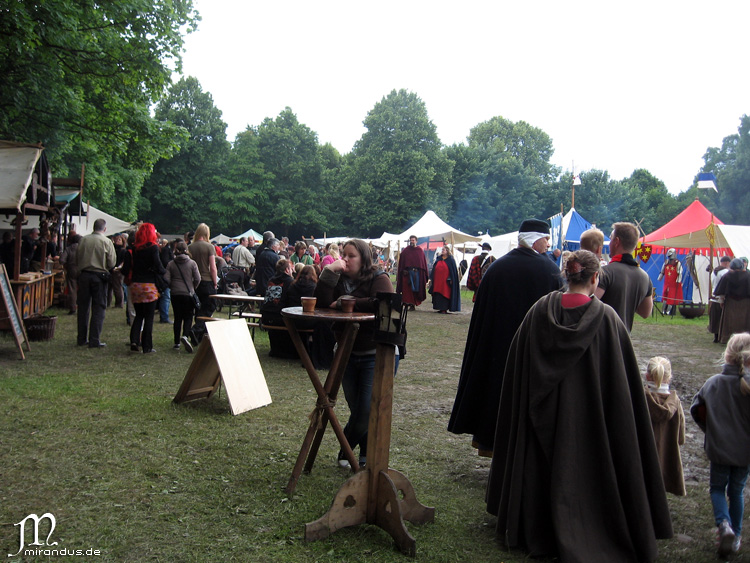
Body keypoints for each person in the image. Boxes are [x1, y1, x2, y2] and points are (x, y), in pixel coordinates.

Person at [487, 250, 673, 562]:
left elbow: (517, 371)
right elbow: (620, 387)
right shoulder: (609, 321)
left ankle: (537, 525)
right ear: (595, 278)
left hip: (538, 421)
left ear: (565, 274)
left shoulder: (538, 312)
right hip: (591, 427)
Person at [448, 219, 562, 455]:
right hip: (532, 350)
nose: (548, 244)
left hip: (496, 349)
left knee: (496, 393)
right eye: (546, 239)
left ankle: (492, 445)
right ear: (535, 240)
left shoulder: (497, 268)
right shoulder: (549, 270)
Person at [314, 238, 395, 469]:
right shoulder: (338, 279)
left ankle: (346, 447)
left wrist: (344, 303)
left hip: (375, 352)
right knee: (358, 408)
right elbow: (321, 302)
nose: (346, 260)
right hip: (346, 352)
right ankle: (364, 455)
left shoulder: (379, 278)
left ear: (364, 258)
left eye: (352, 256)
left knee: (366, 409)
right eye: (344, 255)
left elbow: (384, 303)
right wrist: (329, 272)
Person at [690, 332, 750, 558]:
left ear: (727, 355)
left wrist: (711, 432)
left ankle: (724, 525)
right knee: (737, 490)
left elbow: (696, 410)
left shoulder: (713, 384)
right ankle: (736, 536)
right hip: (744, 453)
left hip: (719, 450)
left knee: (717, 488)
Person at [595, 222, 653, 331]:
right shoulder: (645, 277)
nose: (609, 243)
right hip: (624, 338)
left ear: (616, 241)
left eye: (611, 239)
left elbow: (588, 305)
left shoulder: (605, 272)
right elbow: (646, 312)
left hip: (603, 338)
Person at [644, 356, 686, 496]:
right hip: (666, 456)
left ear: (647, 376)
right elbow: (680, 437)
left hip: (643, 455)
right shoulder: (675, 402)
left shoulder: (639, 399)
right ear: (669, 378)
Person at [122, 223, 165, 354]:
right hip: (149, 285)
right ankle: (147, 346)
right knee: (149, 317)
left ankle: (134, 341)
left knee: (139, 315)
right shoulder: (153, 248)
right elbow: (158, 265)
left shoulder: (134, 249)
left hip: (135, 285)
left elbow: (128, 268)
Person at [76, 219, 117, 348]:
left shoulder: (83, 240)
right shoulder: (106, 241)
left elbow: (77, 257)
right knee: (99, 307)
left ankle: (81, 338)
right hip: (99, 276)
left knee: (83, 307)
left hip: (84, 275)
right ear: (104, 229)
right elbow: (112, 262)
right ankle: (94, 339)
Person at [164, 241, 200, 352]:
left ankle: (176, 343)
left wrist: (172, 285)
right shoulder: (192, 263)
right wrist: (193, 287)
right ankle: (185, 335)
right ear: (187, 250)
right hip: (188, 293)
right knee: (188, 316)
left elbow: (166, 278)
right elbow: (198, 278)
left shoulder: (171, 264)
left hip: (175, 293)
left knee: (178, 317)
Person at [186, 223, 217, 346]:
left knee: (198, 308)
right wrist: (215, 282)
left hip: (194, 282)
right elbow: (212, 267)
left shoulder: (190, 247)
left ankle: (198, 337)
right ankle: (197, 329)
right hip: (206, 280)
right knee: (210, 306)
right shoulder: (209, 247)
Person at [260, 258, 297, 358]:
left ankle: (276, 350)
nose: (293, 271)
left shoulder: (271, 280)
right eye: (291, 268)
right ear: (287, 270)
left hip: (266, 316)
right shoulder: (290, 282)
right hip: (280, 317)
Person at [714, 258, 750, 343]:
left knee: (730, 321)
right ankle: (746, 339)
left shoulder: (727, 276)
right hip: (745, 303)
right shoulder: (748, 276)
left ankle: (727, 338)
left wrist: (721, 301)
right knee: (744, 321)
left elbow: (721, 292)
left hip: (731, 302)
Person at [396, 235, 428, 310]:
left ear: (416, 241)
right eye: (411, 240)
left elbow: (422, 264)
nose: (412, 242)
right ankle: (408, 303)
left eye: (413, 240)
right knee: (407, 290)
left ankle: (413, 304)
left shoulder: (420, 251)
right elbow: (402, 262)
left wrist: (423, 274)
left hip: (417, 274)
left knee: (415, 290)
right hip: (407, 274)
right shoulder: (406, 251)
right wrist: (403, 270)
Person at [429, 246, 461, 314]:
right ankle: (439, 308)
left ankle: (444, 309)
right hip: (437, 281)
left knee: (445, 293)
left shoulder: (451, 260)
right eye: (442, 250)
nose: (442, 251)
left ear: (447, 251)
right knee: (438, 294)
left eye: (444, 250)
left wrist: (451, 279)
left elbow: (453, 272)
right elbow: (434, 268)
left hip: (446, 282)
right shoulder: (439, 258)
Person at [709, 256, 733, 342]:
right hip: (722, 298)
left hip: (714, 298)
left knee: (715, 319)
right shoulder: (726, 272)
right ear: (727, 263)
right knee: (722, 319)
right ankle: (721, 336)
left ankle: (716, 337)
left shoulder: (713, 272)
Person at [59, 233, 81, 315]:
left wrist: (67, 265)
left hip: (71, 269)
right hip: (82, 269)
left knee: (72, 289)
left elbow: (61, 260)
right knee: (83, 289)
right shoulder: (84, 248)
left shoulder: (69, 249)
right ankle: (82, 306)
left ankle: (72, 308)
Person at [658, 248, 683, 316]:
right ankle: (663, 310)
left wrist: (678, 281)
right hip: (667, 282)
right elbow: (662, 271)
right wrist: (660, 277)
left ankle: (668, 311)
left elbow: (680, 273)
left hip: (674, 283)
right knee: (665, 296)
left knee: (671, 297)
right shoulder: (666, 263)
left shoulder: (677, 263)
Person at [158, 237, 174, 324]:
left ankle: (163, 315)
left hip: (161, 276)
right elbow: (165, 261)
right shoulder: (166, 251)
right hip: (164, 276)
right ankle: (164, 317)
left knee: (165, 296)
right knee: (166, 297)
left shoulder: (164, 250)